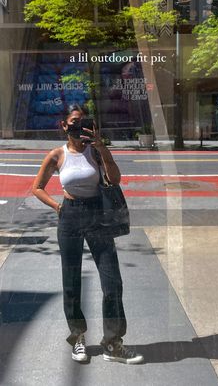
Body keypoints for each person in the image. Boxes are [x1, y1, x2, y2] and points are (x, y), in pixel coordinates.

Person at [32, 104, 144, 365]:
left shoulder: (95, 151)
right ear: (64, 125)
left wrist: (101, 146)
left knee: (112, 282)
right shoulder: (57, 155)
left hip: (98, 216)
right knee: (71, 282)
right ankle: (78, 336)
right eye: (73, 121)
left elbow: (114, 179)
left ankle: (112, 343)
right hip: (69, 216)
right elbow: (37, 187)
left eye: (83, 121)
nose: (77, 125)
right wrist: (58, 206)